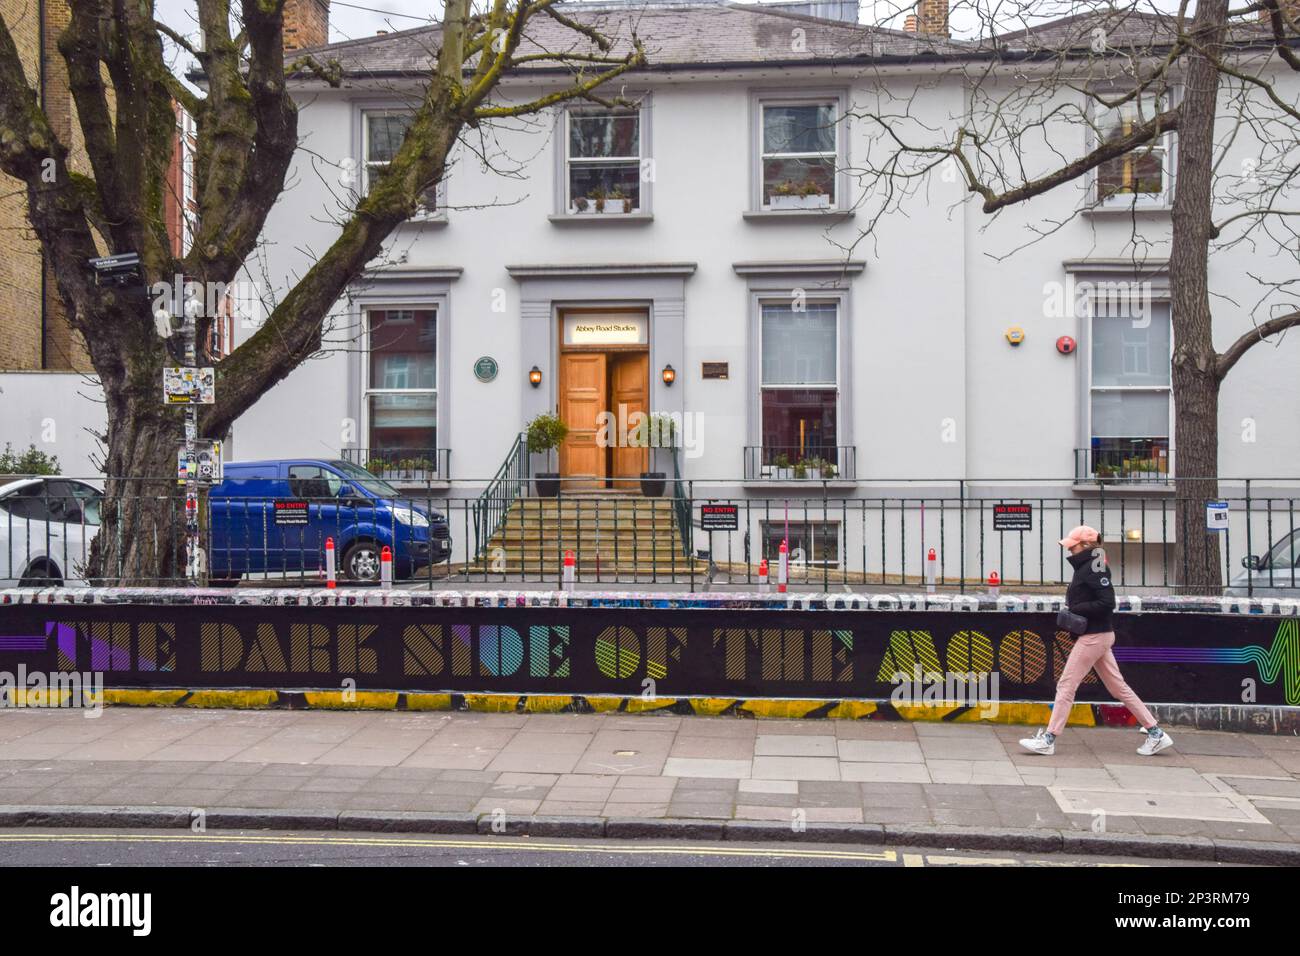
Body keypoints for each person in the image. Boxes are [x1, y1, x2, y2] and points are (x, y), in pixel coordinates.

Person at [1019, 525, 1173, 757]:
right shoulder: (1092, 565)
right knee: (1117, 687)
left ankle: (1049, 739)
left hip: (1093, 637)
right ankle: (1155, 732)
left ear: (1085, 545)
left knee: (1066, 685)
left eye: (1073, 544)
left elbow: (1107, 602)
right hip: (1098, 635)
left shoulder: (1093, 567)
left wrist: (1077, 608)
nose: (1069, 549)